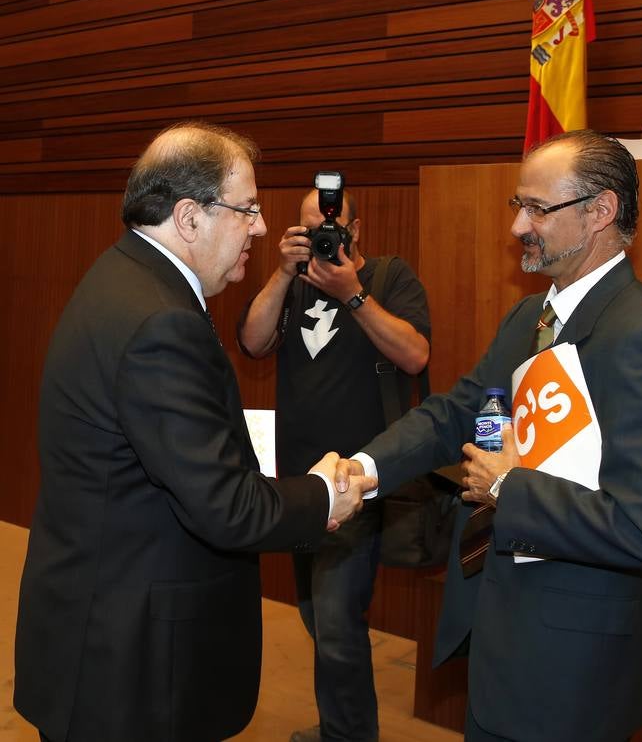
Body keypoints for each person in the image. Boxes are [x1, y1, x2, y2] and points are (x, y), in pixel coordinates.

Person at [14, 121, 375, 742]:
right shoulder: (160, 320)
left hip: (102, 617)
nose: (261, 229)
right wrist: (323, 495)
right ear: (189, 217)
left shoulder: (123, 277)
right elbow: (226, 507)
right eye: (248, 210)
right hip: (133, 662)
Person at [335, 131, 642, 742]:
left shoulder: (641, 337)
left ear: (600, 212)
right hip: (500, 631)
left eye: (537, 209)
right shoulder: (529, 317)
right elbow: (457, 413)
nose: (518, 228)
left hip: (571, 666)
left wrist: (508, 487)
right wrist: (364, 469)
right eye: (518, 207)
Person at [237, 183, 431, 742]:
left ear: (357, 229)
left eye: (331, 227)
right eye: (308, 228)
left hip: (360, 479)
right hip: (299, 482)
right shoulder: (290, 285)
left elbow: (416, 354)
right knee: (315, 615)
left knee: (338, 621)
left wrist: (353, 294)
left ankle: (347, 736)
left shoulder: (390, 277)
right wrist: (281, 273)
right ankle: (342, 726)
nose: (322, 237)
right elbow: (252, 343)